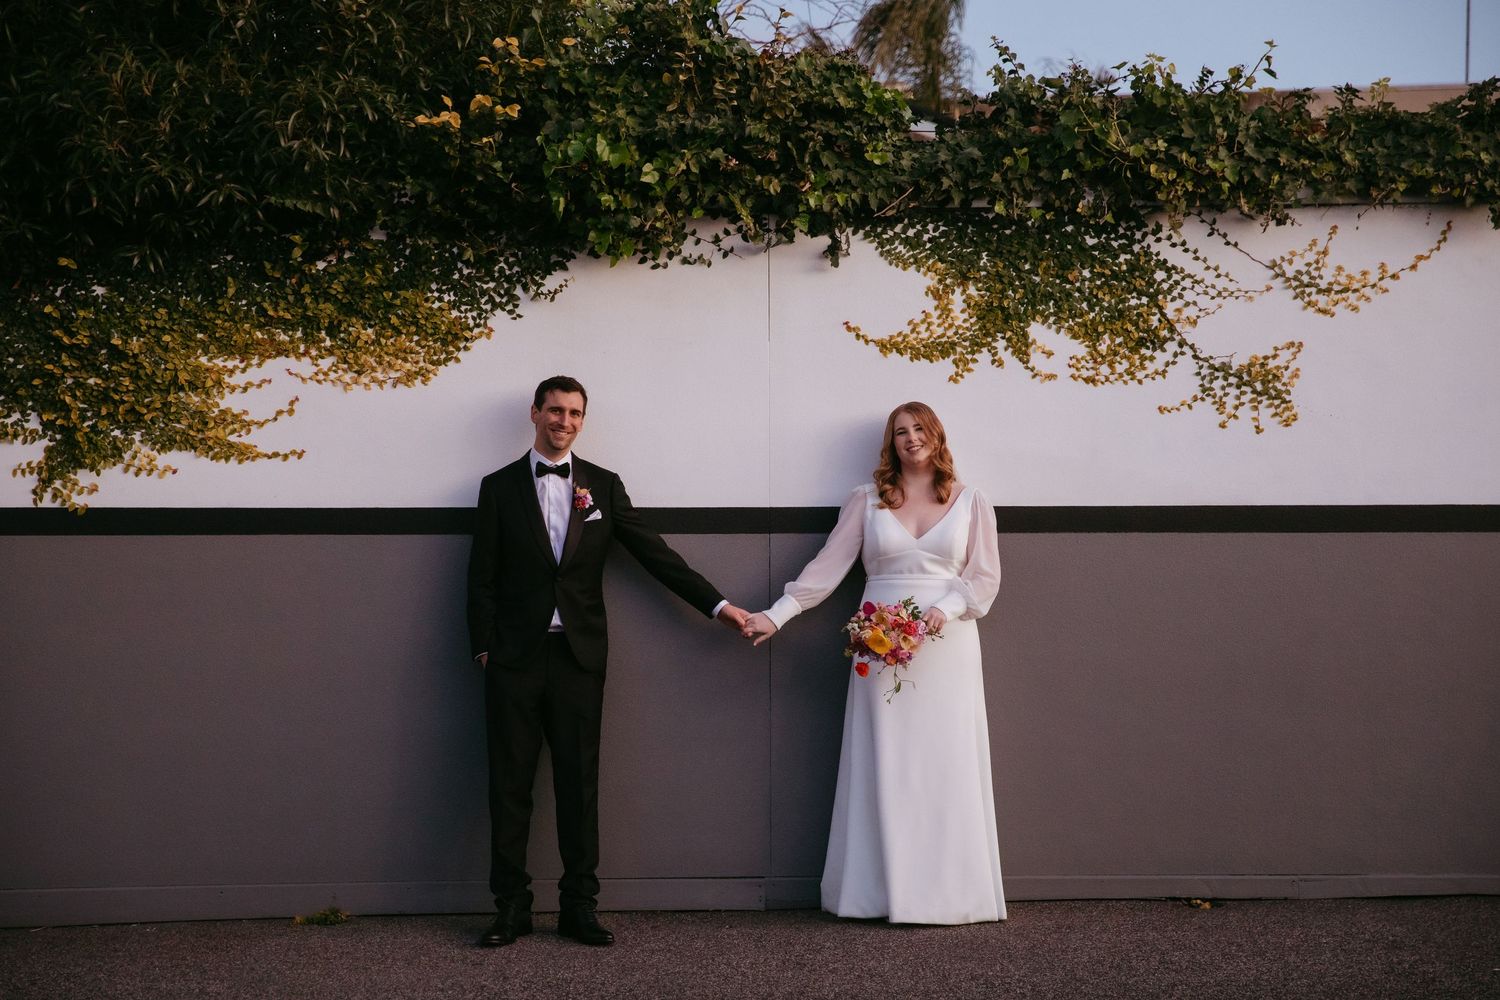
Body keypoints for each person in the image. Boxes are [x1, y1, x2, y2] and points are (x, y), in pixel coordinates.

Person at [466, 375, 749, 948]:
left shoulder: (604, 486)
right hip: (514, 660)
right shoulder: (497, 487)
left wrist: (717, 605)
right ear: (534, 413)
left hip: (579, 657)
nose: (562, 421)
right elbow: (481, 577)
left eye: (573, 413)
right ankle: (511, 908)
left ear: (582, 420)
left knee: (579, 785)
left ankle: (579, 907)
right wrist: (484, 646)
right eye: (553, 410)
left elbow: (655, 554)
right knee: (509, 786)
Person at [742, 401, 1005, 924]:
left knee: (945, 761)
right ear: (891, 444)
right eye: (900, 432)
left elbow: (983, 580)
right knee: (884, 761)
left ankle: (951, 895)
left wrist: (944, 610)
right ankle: (878, 893)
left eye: (919, 429)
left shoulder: (972, 501)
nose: (911, 439)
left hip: (946, 646)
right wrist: (777, 614)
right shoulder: (866, 501)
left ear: (936, 435)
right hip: (878, 643)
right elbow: (827, 570)